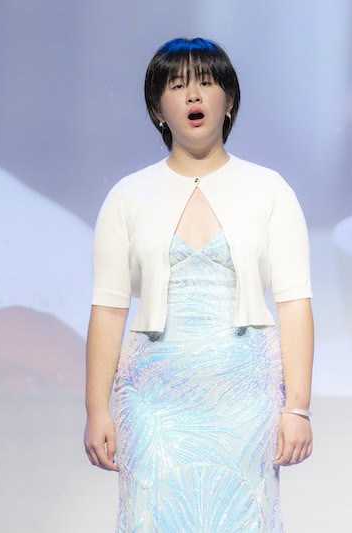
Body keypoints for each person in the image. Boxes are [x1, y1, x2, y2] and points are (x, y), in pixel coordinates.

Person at [84, 37, 314, 530]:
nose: (194, 96)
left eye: (207, 84)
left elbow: (295, 303)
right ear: (156, 108)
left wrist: (298, 407)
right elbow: (108, 308)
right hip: (153, 400)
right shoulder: (128, 195)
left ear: (229, 101)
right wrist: (96, 410)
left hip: (244, 396)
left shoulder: (268, 189)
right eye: (178, 85)